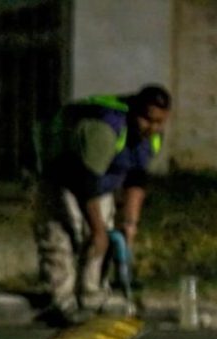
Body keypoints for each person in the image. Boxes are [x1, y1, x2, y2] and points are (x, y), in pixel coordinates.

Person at [33, 84, 172, 326]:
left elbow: (137, 178)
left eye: (160, 122)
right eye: (148, 120)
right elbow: (86, 181)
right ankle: (61, 301)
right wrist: (97, 230)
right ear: (134, 112)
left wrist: (129, 224)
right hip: (63, 176)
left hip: (100, 180)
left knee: (104, 238)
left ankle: (91, 297)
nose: (153, 128)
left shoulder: (153, 136)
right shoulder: (105, 128)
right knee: (62, 237)